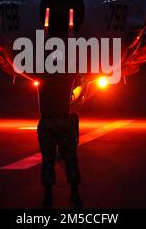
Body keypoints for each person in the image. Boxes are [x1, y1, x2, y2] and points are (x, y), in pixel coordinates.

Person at [37, 73, 82, 208]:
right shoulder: (68, 75)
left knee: (47, 160)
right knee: (71, 159)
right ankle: (75, 194)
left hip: (47, 122)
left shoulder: (40, 75)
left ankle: (48, 197)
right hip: (64, 122)